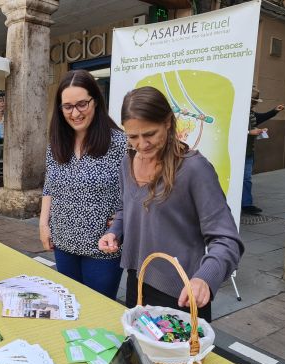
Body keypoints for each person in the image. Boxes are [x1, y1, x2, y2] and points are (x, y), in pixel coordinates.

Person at [98, 86, 244, 322]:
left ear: (168, 123)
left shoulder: (194, 169)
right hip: (136, 282)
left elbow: (226, 239)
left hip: (182, 294)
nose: (141, 145)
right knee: (140, 355)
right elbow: (128, 208)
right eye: (132, 136)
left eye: (150, 134)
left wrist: (204, 278)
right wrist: (114, 232)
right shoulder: (127, 162)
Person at [40, 69, 127, 299]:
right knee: (70, 307)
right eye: (67, 106)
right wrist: (43, 224)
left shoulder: (118, 143)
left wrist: (120, 222)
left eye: (82, 104)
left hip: (101, 247)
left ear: (95, 102)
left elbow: (134, 192)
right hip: (63, 242)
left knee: (99, 311)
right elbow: (49, 185)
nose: (75, 113)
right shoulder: (57, 142)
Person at [242, 87, 285, 215]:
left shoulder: (250, 112)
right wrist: (249, 132)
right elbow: (230, 128)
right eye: (253, 101)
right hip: (236, 152)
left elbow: (258, 118)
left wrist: (274, 111)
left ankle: (246, 204)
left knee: (246, 178)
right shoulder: (237, 110)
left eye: (255, 101)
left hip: (248, 151)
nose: (255, 104)